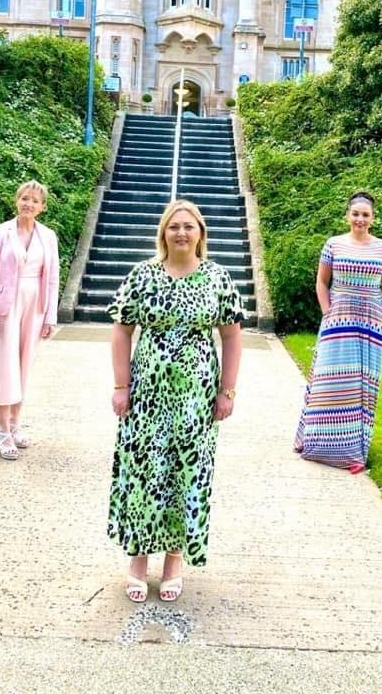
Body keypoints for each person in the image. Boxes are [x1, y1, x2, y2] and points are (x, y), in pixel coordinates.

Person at [107, 199, 244, 603]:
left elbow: (232, 337)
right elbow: (121, 330)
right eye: (173, 227)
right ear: (163, 233)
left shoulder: (218, 278)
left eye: (188, 226)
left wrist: (227, 391)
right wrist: (121, 386)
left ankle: (173, 561)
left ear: (201, 233)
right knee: (144, 474)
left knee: (187, 473)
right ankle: (137, 560)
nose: (181, 233)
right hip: (147, 396)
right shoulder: (142, 275)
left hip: (196, 399)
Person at [294, 191, 382, 474]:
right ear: (347, 216)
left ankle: (353, 449)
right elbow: (321, 282)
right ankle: (318, 441)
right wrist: (327, 312)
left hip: (371, 325)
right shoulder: (333, 244)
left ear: (372, 217)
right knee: (328, 380)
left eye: (365, 215)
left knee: (361, 385)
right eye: (356, 214)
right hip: (338, 320)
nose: (360, 219)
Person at [0, 180, 59, 460]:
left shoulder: (48, 236)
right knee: (4, 367)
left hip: (34, 307)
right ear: (17, 201)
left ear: (42, 207)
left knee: (24, 366)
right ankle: (2, 431)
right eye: (24, 198)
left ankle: (15, 425)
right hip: (6, 307)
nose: (28, 203)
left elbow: (52, 279)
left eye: (34, 200)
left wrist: (50, 315)